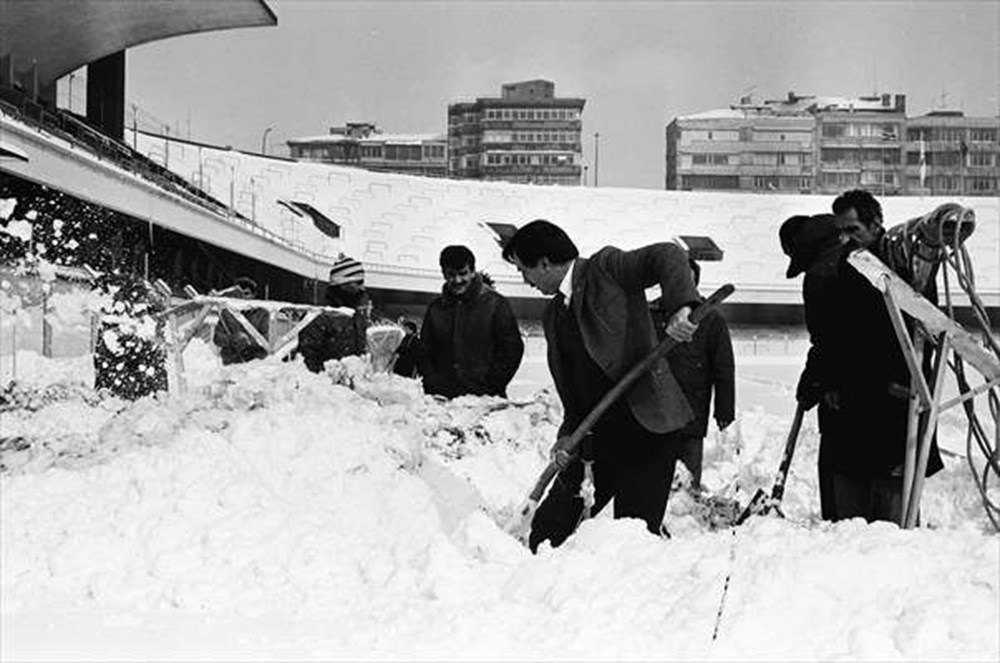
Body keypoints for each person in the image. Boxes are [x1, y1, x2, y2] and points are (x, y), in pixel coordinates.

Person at [502, 219, 700, 552]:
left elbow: (667, 254)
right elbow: (574, 389)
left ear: (545, 263)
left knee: (631, 540)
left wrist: (682, 306)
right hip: (596, 437)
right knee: (546, 533)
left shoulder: (606, 269)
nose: (525, 279)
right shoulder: (553, 315)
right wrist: (567, 436)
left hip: (647, 431)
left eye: (525, 270)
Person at [782, 213, 942, 524]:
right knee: (879, 508)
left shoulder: (832, 272)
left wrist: (819, 379)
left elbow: (833, 339)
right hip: (883, 405)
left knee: (865, 514)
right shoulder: (870, 265)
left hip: (870, 407)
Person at [654, 258, 735, 489]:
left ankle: (686, 515)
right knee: (654, 474)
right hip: (655, 410)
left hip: (692, 409)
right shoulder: (650, 314)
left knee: (688, 477)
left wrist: (724, 409)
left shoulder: (711, 320)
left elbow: (723, 367)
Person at [420, 245, 524, 398]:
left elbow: (512, 350)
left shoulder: (496, 304)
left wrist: (491, 385)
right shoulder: (435, 309)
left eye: (463, 274)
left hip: (486, 398)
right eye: (451, 274)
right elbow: (425, 351)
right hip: (443, 398)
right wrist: (433, 382)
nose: (457, 280)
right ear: (443, 273)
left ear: (473, 272)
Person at [92, 272, 169, 400]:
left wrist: (161, 397)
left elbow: (158, 373)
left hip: (141, 399)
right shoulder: (111, 331)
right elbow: (103, 372)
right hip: (124, 394)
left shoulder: (144, 332)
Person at [298, 254, 370, 373]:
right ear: (342, 284)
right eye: (358, 282)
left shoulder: (357, 317)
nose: (362, 288)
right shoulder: (317, 316)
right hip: (324, 388)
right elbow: (306, 364)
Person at [212, 276, 269, 365]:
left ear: (253, 296)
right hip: (231, 363)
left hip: (253, 363)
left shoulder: (262, 314)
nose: (242, 298)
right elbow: (217, 338)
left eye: (246, 294)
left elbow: (265, 340)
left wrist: (247, 341)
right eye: (238, 294)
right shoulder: (227, 312)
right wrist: (232, 339)